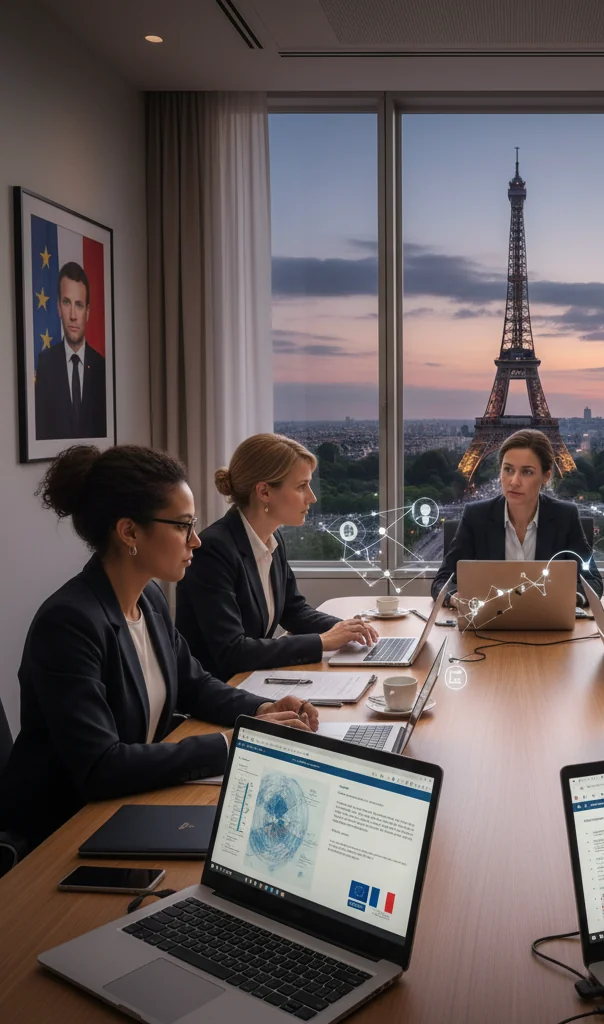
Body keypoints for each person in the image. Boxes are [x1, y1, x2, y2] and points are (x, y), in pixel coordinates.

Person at [0, 445, 316, 853]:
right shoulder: (69, 624)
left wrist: (262, 711)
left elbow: (195, 684)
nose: (196, 541)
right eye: (183, 526)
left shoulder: (147, 597)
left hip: (128, 807)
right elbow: (102, 766)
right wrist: (234, 742)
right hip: (63, 831)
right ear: (129, 532)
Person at [176, 433, 377, 679]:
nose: (312, 497)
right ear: (264, 492)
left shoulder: (272, 538)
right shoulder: (213, 549)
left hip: (251, 681)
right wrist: (323, 641)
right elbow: (232, 651)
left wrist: (348, 629)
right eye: (301, 486)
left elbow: (293, 611)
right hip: (222, 694)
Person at [431, 428, 603, 605]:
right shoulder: (476, 516)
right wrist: (457, 600)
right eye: (508, 470)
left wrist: (566, 600)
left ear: (546, 476)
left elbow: (593, 582)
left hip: (548, 625)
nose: (514, 481)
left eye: (527, 472)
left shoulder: (565, 517)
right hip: (487, 622)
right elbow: (442, 580)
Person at [34, 261, 107, 440]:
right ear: (59, 308)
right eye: (67, 303)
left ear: (88, 312)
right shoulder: (45, 363)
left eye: (79, 305)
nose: (73, 315)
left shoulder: (101, 367)